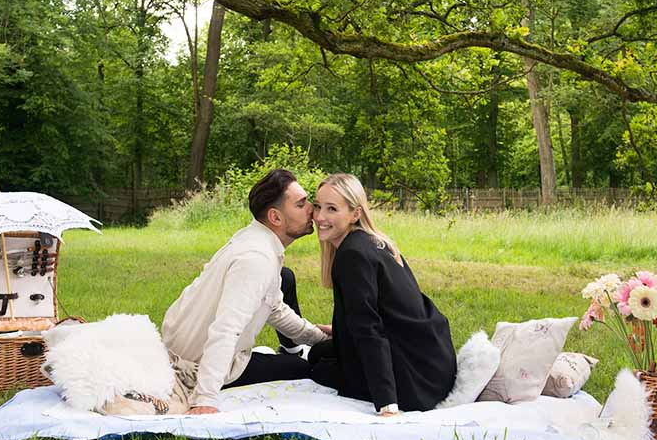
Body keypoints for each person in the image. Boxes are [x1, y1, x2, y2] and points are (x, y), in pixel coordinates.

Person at [160, 169, 330, 415]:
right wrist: (205, 398)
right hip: (195, 362)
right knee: (302, 370)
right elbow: (226, 328)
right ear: (275, 217)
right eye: (301, 204)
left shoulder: (257, 240)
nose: (312, 209)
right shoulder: (257, 259)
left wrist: (319, 337)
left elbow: (276, 309)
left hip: (185, 345)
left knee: (286, 280)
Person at [308, 174, 456, 416]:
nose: (320, 217)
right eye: (317, 206)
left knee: (318, 365)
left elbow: (368, 327)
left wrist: (387, 402)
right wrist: (341, 331)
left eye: (332, 209)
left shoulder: (351, 255)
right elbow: (391, 308)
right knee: (321, 351)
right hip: (435, 365)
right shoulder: (376, 242)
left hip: (414, 380)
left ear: (355, 214)